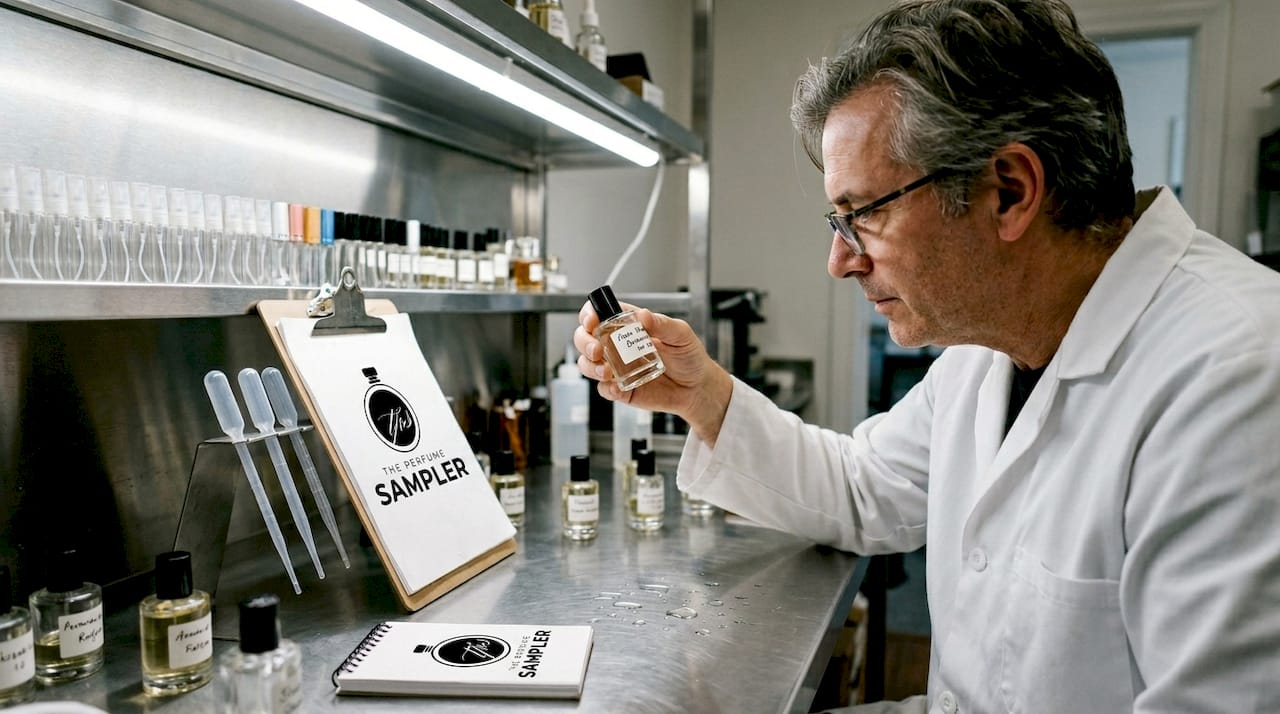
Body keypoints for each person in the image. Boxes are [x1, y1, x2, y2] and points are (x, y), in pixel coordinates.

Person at [574, 0, 1280, 711]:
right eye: (837, 219)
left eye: (865, 213)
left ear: (1009, 191)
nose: (839, 261)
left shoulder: (1238, 375)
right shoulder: (991, 346)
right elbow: (861, 486)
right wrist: (699, 393)